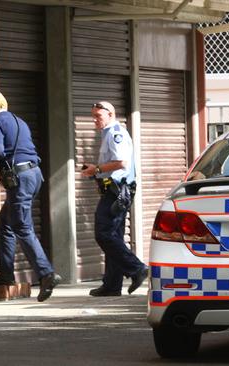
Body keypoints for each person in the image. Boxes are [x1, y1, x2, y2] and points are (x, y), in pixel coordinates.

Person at [0, 89, 61, 302]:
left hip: (20, 177)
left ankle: (46, 274)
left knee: (22, 227)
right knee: (5, 222)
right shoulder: (19, 120)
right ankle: (5, 274)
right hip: (34, 175)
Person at [81, 101, 148, 296]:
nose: (95, 120)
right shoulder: (108, 133)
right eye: (93, 116)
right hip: (113, 188)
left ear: (111, 114)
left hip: (118, 190)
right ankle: (112, 284)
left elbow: (121, 162)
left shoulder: (115, 133)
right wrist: (96, 171)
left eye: (98, 116)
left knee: (104, 233)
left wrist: (98, 169)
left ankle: (136, 268)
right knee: (114, 235)